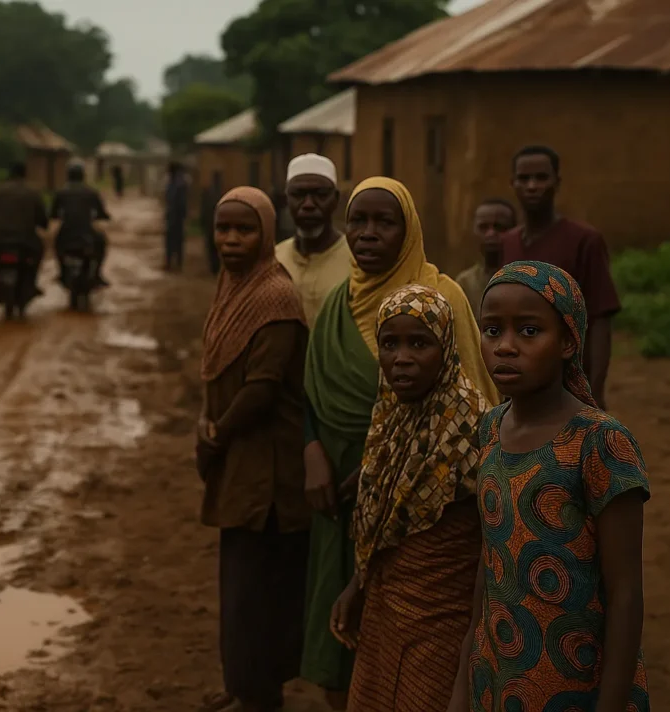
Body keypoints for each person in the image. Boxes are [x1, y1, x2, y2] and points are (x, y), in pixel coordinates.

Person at [302, 177, 498, 710]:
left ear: (408, 229)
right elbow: (311, 389)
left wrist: (396, 471)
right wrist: (316, 451)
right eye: (358, 221)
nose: (366, 234)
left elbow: (474, 395)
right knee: (347, 627)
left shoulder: (444, 297)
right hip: (348, 493)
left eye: (383, 222)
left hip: (434, 502)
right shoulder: (342, 302)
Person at [449, 261, 650, 712]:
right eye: (492, 330)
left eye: (528, 331)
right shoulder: (490, 429)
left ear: (567, 342)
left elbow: (626, 594)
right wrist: (465, 680)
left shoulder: (599, 442)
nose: (505, 347)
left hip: (576, 685)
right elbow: (491, 561)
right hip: (497, 676)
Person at [329, 284, 489, 710]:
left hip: (442, 627)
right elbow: (385, 525)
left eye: (419, 343)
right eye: (389, 344)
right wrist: (356, 587)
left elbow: (490, 550)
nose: (401, 358)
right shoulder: (390, 421)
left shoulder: (470, 429)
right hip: (384, 614)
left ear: (448, 347)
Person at [197, 186, 309, 712]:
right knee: (237, 585)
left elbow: (262, 390)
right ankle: (244, 685)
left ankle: (259, 695)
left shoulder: (274, 297)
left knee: (256, 591)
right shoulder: (232, 285)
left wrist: (217, 432)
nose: (231, 240)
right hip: (240, 457)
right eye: (223, 229)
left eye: (244, 230)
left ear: (266, 234)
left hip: (267, 468)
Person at [501, 145, 620, 408]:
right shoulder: (508, 243)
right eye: (524, 179)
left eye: (541, 178)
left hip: (567, 384)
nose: (532, 186)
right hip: (519, 382)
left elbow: (600, 318)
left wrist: (595, 390)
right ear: (513, 183)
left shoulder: (584, 241)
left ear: (557, 182)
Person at [275, 154, 352, 323]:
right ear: (286, 199)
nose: (308, 204)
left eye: (320, 194)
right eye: (298, 194)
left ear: (336, 199)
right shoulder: (275, 259)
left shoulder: (356, 260)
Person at [0, 162, 48, 299]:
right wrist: (43, 224)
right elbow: (42, 217)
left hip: (1, 238)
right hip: (26, 240)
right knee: (38, 252)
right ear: (25, 174)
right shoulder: (33, 192)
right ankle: (32, 283)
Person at [455, 198, 517, 322]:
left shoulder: (526, 280)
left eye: (499, 227)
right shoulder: (465, 283)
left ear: (515, 231)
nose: (490, 234)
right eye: (483, 227)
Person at [52, 162, 111, 288]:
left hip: (66, 231)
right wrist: (104, 216)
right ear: (83, 176)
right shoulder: (91, 192)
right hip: (87, 231)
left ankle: (62, 272)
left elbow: (53, 213)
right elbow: (101, 213)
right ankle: (97, 273)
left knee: (57, 247)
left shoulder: (61, 192)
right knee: (101, 244)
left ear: (68, 176)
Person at [164, 162, 189, 271]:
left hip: (175, 216)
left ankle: (173, 263)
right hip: (175, 216)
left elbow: (178, 202)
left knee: (173, 240)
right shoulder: (178, 182)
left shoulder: (177, 183)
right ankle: (175, 263)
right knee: (176, 241)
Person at [200, 173, 223, 276]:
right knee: (214, 246)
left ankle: (214, 268)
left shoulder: (210, 193)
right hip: (215, 224)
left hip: (213, 224)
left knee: (212, 246)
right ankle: (215, 268)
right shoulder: (221, 194)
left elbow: (204, 210)